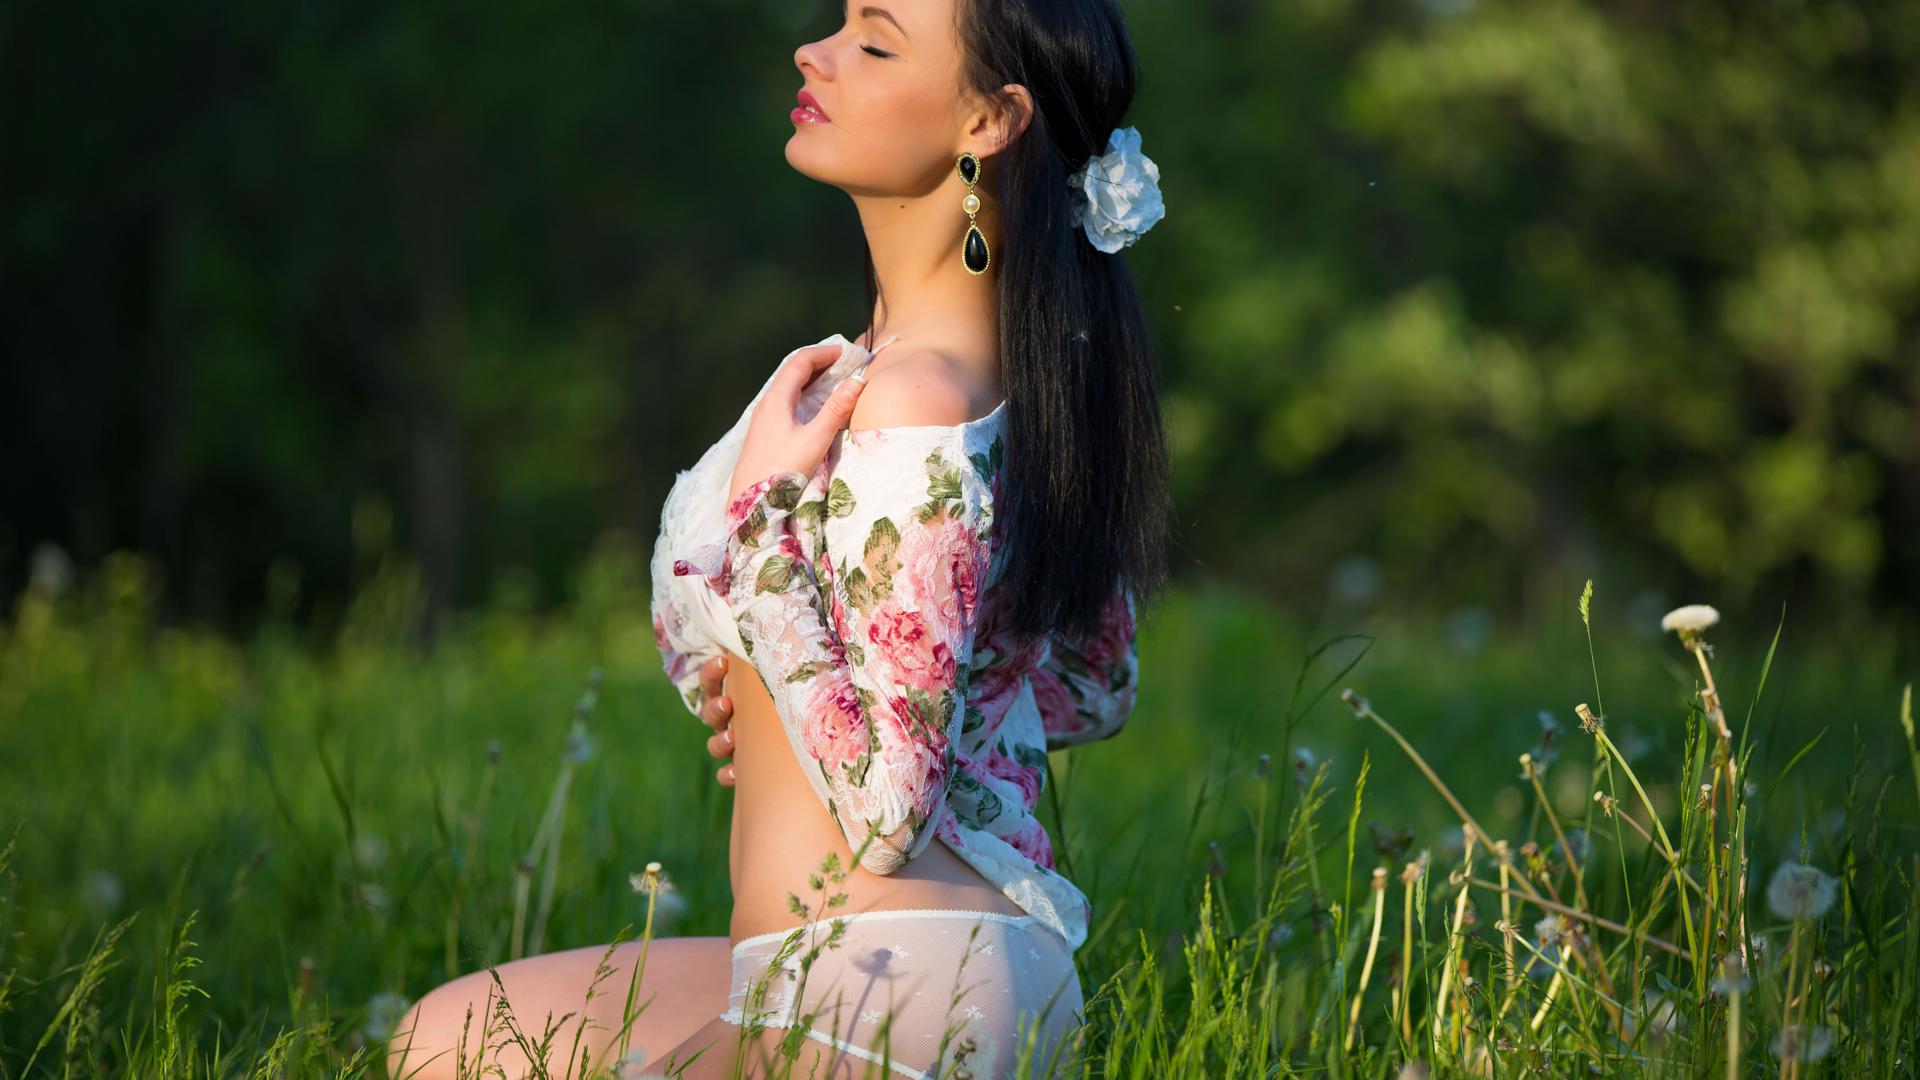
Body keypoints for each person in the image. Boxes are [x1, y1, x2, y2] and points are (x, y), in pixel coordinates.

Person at [390, 0, 1168, 1074]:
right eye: (839, 24)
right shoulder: (1003, 373)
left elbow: (888, 816)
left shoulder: (919, 396)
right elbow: (1093, 686)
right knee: (448, 1041)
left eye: (875, 42)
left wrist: (764, 538)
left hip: (895, 979)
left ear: (989, 121)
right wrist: (790, 699)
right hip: (864, 960)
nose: (816, 52)